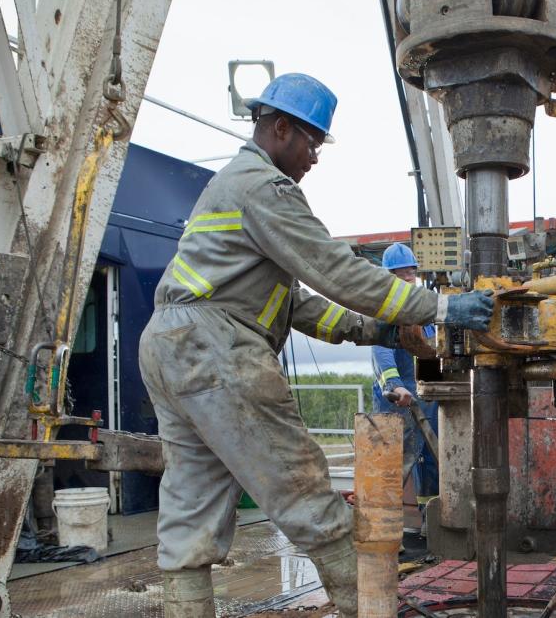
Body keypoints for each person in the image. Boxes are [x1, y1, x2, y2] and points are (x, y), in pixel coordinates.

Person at [137, 73, 493, 618]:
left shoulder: (231, 187)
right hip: (215, 347)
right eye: (313, 141)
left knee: (191, 505)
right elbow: (336, 271)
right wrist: (440, 308)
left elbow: (299, 304)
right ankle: (372, 610)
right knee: (305, 492)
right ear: (281, 129)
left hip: (172, 345)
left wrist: (378, 330)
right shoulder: (264, 188)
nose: (315, 157)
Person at [370, 243, 439, 526]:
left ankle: (429, 520)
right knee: (392, 462)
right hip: (396, 397)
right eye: (401, 274)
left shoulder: (422, 308)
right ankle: (380, 526)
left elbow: (435, 346)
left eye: (411, 273)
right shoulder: (385, 310)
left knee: (431, 458)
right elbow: (381, 351)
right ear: (389, 277)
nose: (408, 278)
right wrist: (396, 386)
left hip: (425, 393)